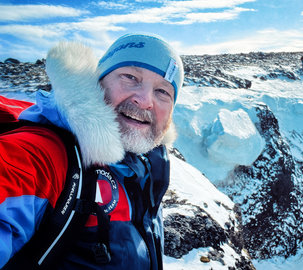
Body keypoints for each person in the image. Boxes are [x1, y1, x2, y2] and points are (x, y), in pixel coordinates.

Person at [0, 33, 184, 269]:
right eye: (130, 77)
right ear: (98, 82)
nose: (145, 100)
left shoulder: (145, 163)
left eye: (163, 92)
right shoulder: (36, 157)